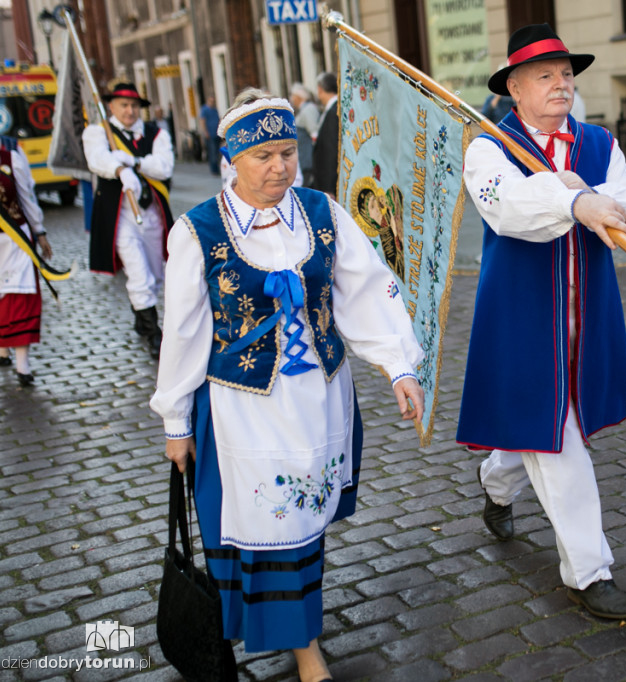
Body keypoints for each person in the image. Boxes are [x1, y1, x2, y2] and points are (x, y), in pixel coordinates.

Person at [149, 90, 424, 682]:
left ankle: (297, 635)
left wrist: (398, 365)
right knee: (274, 530)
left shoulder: (322, 213)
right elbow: (183, 334)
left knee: (303, 526)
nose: (279, 167)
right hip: (241, 409)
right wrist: (175, 422)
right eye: (263, 156)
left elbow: (366, 287)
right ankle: (306, 653)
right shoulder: (198, 232)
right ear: (233, 158)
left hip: (320, 400)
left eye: (286, 152)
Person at [457, 23, 626, 619]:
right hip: (522, 322)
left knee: (537, 429)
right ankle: (589, 573)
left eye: (566, 73)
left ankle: (495, 484)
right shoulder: (490, 146)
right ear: (514, 88)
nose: (561, 83)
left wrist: (598, 199)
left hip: (587, 314)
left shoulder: (599, 144)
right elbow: (509, 209)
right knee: (560, 436)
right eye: (545, 75)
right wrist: (572, 200)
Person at [82, 81, 174, 358]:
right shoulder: (98, 133)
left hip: (151, 211)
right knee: (138, 272)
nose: (130, 111)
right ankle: (153, 333)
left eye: (134, 106)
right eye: (124, 105)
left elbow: (164, 167)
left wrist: (134, 162)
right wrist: (118, 168)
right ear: (111, 107)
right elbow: (97, 160)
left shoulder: (156, 134)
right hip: (119, 214)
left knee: (157, 274)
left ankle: (141, 314)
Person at [0, 114, 52, 386]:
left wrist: (39, 232)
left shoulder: (12, 159)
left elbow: (27, 198)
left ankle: (22, 365)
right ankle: (1, 348)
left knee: (20, 297)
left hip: (15, 240)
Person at [310, 72, 339, 195]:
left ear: (320, 89)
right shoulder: (334, 108)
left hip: (330, 185)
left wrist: (328, 187)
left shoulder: (333, 112)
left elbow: (330, 150)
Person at [290, 83, 320, 187]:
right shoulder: (304, 110)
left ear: (299, 97)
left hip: (307, 159)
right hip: (303, 158)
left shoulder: (309, 109)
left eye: (293, 96)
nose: (292, 99)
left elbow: (314, 133)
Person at [199, 95, 221, 176]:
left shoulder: (215, 110)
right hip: (210, 134)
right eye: (211, 101)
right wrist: (205, 132)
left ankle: (217, 168)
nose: (212, 103)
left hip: (216, 133)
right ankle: (214, 169)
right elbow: (202, 121)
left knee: (217, 151)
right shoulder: (204, 110)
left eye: (213, 101)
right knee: (212, 152)